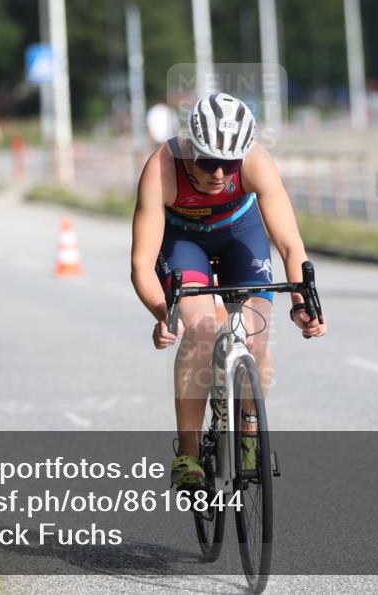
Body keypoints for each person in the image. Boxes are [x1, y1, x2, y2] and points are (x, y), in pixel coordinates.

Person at [130, 92, 327, 488]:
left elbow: (290, 246)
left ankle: (250, 432)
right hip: (184, 241)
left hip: (240, 233)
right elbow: (140, 263)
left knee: (257, 336)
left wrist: (302, 304)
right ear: (189, 148)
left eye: (229, 164)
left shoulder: (257, 162)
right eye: (209, 162)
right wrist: (160, 313)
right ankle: (188, 455)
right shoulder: (162, 168)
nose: (220, 174)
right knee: (201, 330)